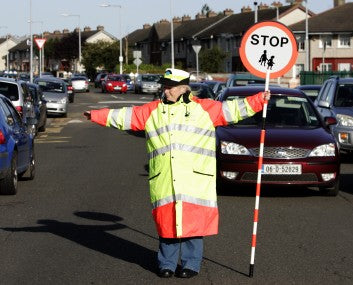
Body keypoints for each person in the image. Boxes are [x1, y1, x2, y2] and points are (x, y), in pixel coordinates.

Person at [84, 68, 270, 279]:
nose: (166, 90)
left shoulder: (205, 109)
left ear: (183, 88)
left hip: (195, 181)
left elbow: (236, 109)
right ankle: (167, 263)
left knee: (194, 225)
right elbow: (125, 116)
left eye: (170, 87)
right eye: (165, 86)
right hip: (164, 180)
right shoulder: (153, 111)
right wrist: (96, 115)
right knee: (167, 224)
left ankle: (191, 263)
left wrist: (259, 100)